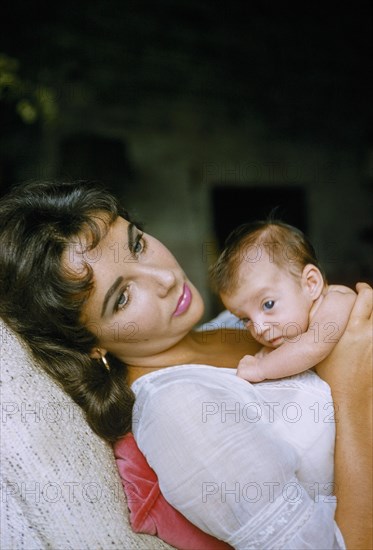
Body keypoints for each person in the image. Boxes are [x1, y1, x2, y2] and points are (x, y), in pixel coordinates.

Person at [0, 180, 371, 549]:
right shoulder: (181, 413)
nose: (164, 278)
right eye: (123, 297)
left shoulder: (230, 323)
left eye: (138, 244)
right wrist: (354, 396)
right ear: (89, 344)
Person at [209, 220, 356, 382]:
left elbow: (312, 347)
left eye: (268, 304)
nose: (259, 328)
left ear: (311, 283)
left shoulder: (336, 301)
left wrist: (261, 368)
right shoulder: (290, 333)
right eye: (246, 319)